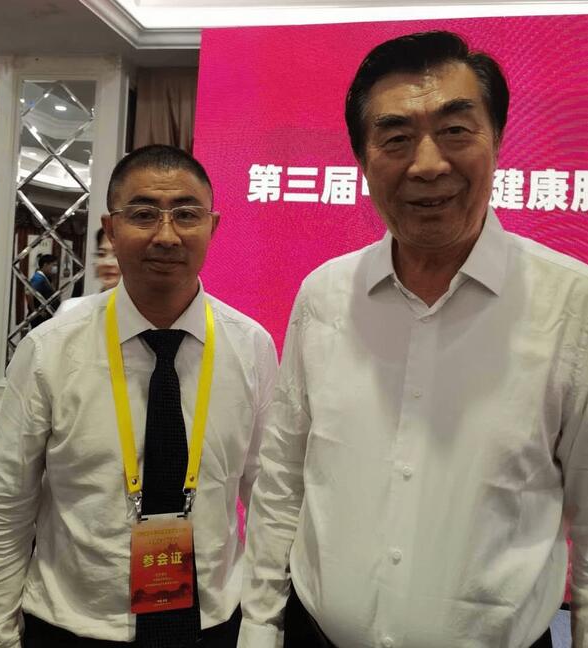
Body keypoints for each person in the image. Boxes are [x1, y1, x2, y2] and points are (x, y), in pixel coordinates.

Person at [238, 31, 588, 648]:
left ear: (498, 139)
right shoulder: (324, 296)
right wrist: (260, 627)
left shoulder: (571, 304)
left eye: (455, 130)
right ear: (363, 159)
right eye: (396, 138)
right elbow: (283, 481)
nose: (427, 164)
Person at [0, 144, 278, 648]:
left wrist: (264, 625)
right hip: (73, 626)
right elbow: (4, 506)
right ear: (111, 229)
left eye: (186, 214)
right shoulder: (50, 351)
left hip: (212, 625)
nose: (166, 235)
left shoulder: (251, 347)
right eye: (143, 214)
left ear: (213, 226)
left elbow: (267, 496)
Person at [56, 227, 122, 315]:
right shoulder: (71, 309)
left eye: (117, 255)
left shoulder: (139, 317)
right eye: (101, 254)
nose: (107, 262)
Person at [27, 252, 61, 327]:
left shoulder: (46, 277)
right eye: (53, 265)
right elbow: (30, 294)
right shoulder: (38, 278)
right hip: (40, 317)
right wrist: (35, 311)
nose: (55, 268)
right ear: (45, 265)